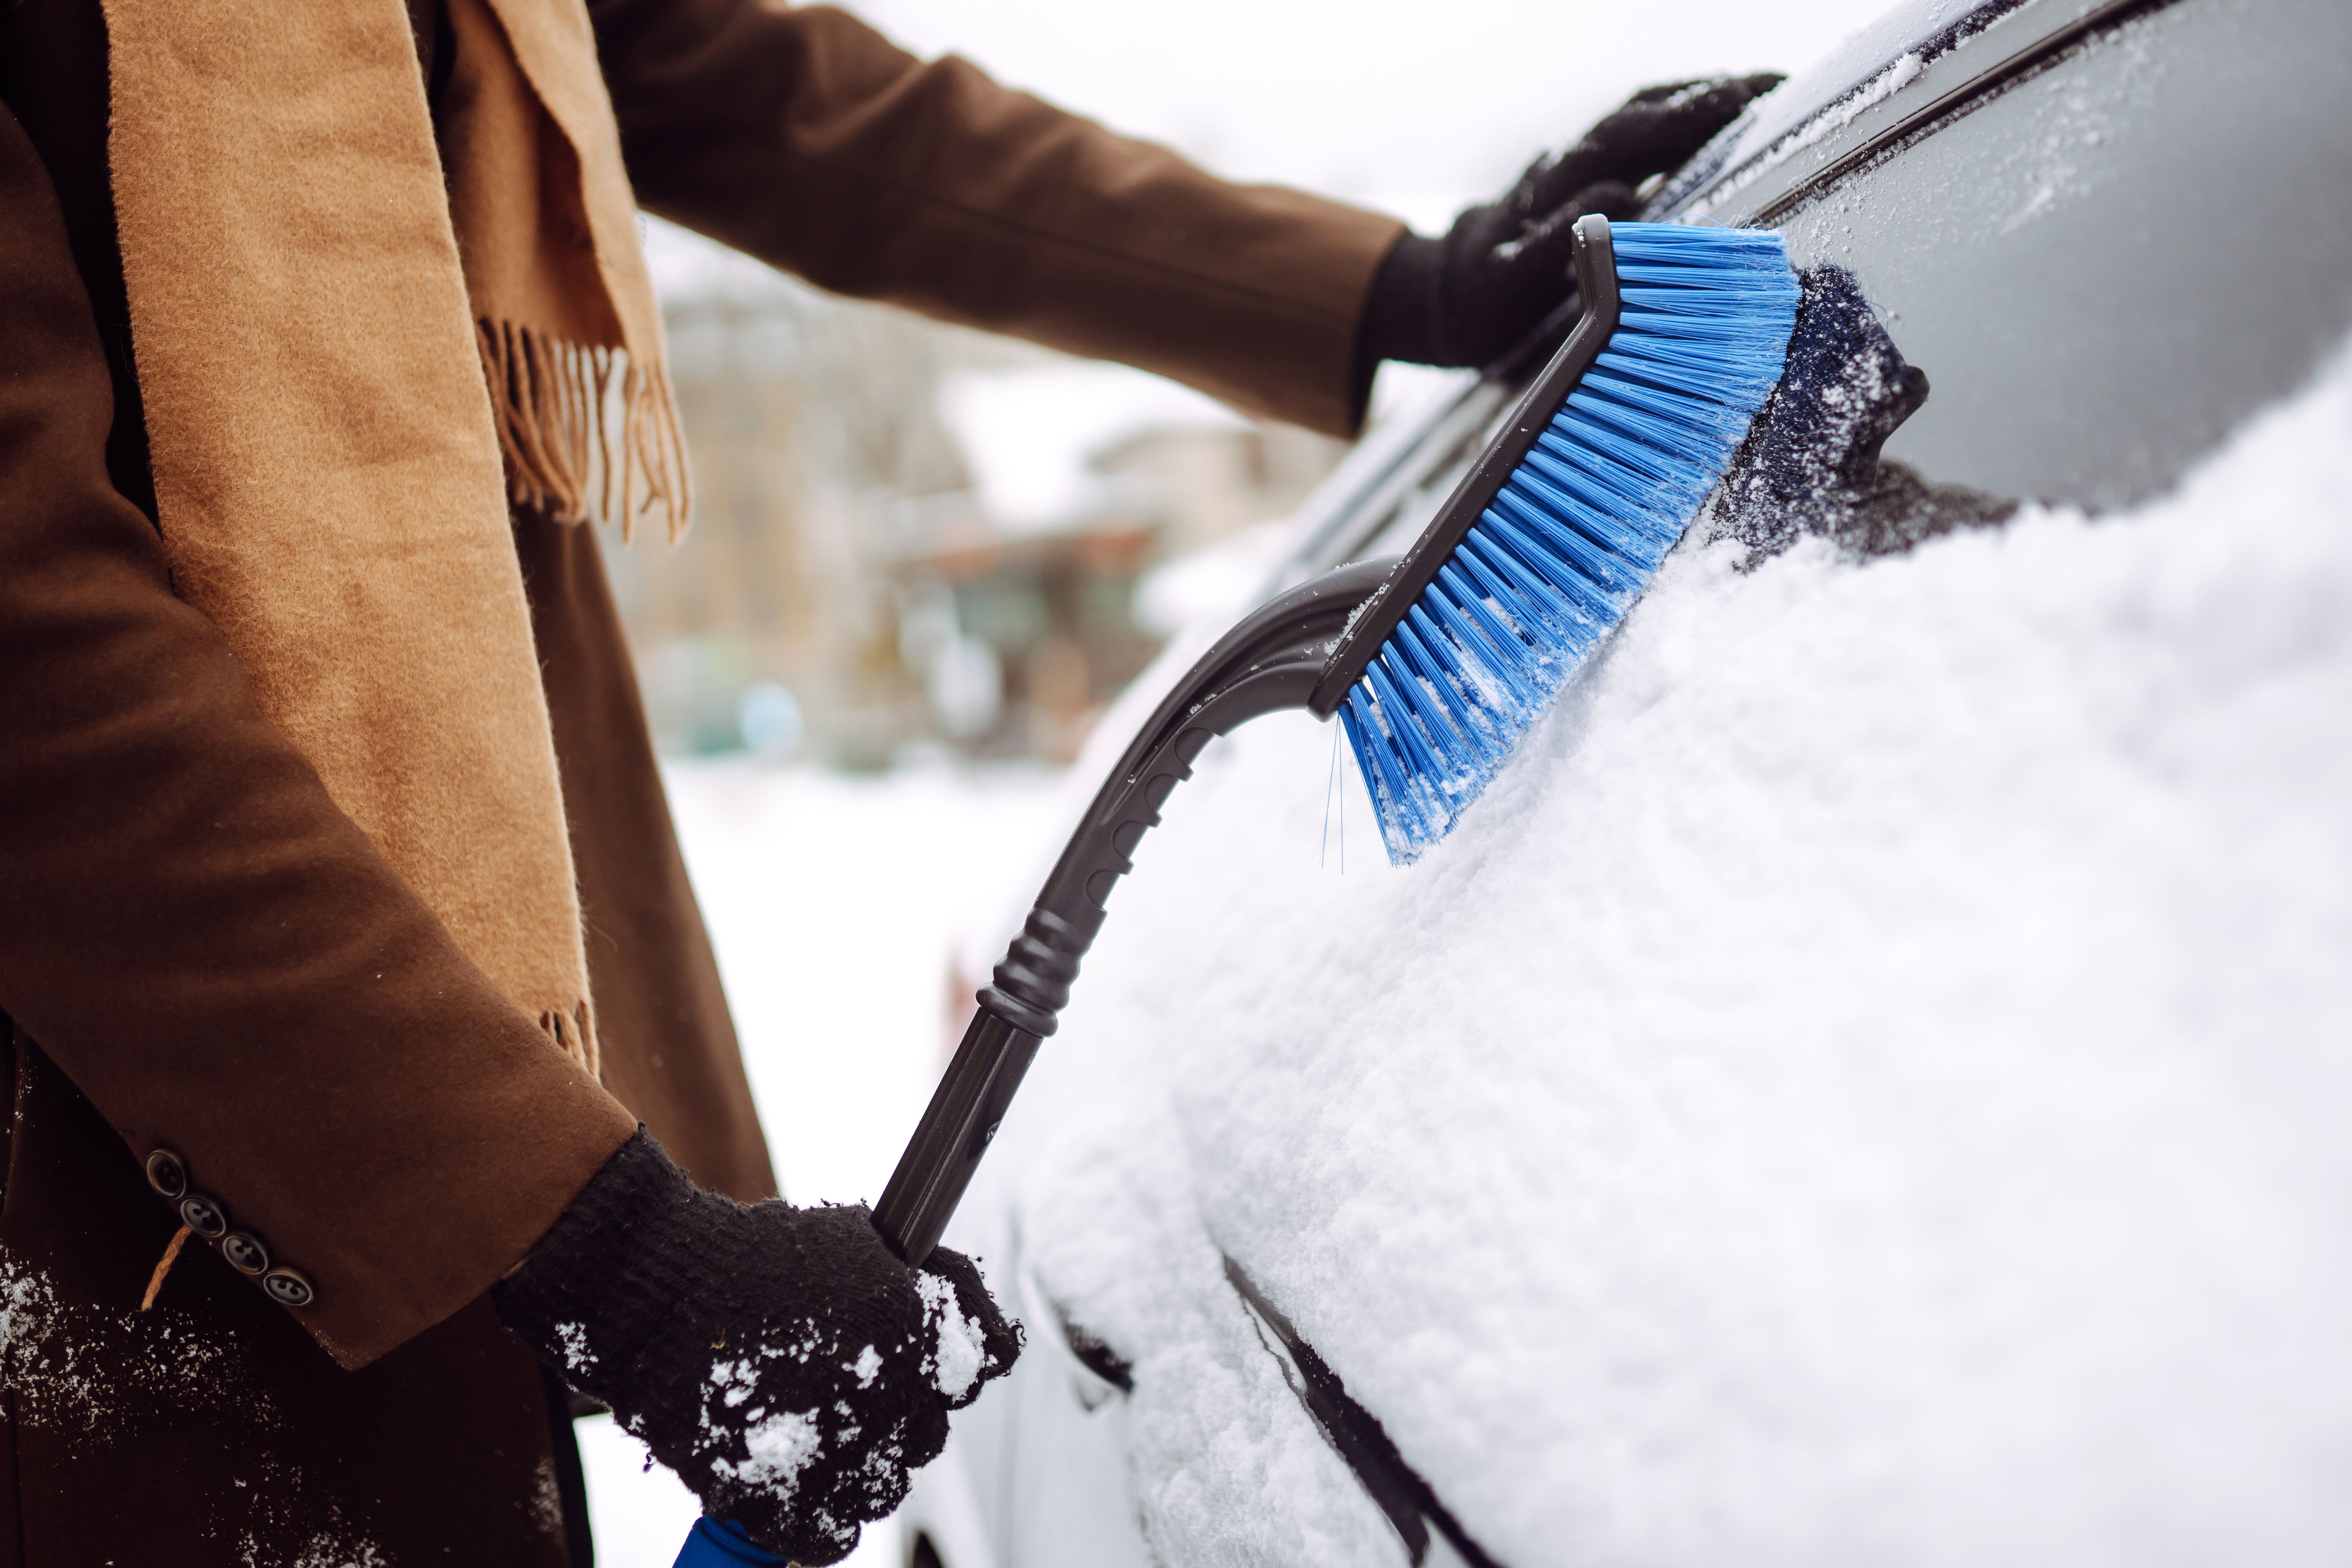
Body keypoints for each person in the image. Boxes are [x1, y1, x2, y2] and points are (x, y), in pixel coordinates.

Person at [0, 0, 1773, 1559]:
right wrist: (597, 1240)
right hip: (143, 1134)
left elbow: (794, 98)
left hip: (480, 1049)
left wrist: (1397, 285)